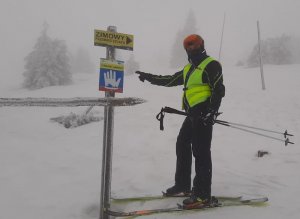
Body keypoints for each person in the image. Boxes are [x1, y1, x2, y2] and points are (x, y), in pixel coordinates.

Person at [135, 34, 225, 208]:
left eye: (194, 45)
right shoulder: (189, 69)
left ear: (202, 45)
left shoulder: (211, 64)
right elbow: (169, 80)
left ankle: (202, 195)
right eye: (188, 46)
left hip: (204, 111)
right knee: (182, 143)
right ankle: (183, 185)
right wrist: (149, 76)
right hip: (192, 113)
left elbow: (219, 89)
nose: (191, 48)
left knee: (201, 151)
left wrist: (212, 112)